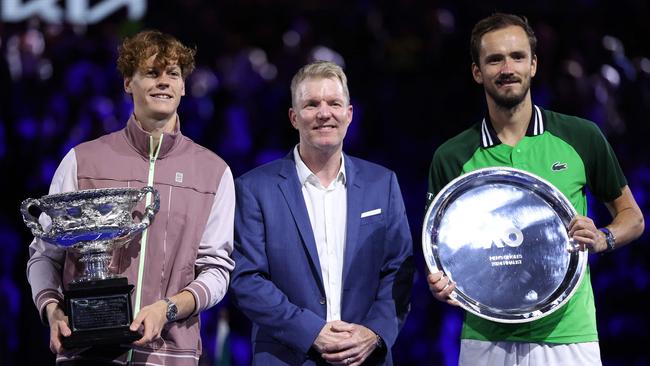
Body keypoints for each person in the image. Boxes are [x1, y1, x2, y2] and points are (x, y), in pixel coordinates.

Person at [426, 13, 645, 366]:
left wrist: (604, 236)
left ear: (533, 65)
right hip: (486, 339)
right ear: (477, 72)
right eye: (494, 59)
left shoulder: (581, 136)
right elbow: (439, 248)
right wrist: (438, 280)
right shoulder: (452, 157)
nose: (507, 68)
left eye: (517, 57)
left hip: (568, 336)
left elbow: (633, 218)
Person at [26, 30, 235, 365]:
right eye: (151, 73)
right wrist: (52, 311)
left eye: (173, 75)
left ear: (183, 87)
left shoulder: (213, 173)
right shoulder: (82, 160)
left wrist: (166, 310)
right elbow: (44, 255)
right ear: (128, 82)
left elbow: (216, 271)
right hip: (86, 353)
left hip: (170, 355)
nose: (164, 82)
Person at [230, 60, 414, 365]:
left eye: (334, 103)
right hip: (286, 356)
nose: (324, 113)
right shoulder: (254, 188)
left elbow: (400, 269)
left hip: (365, 357)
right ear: (294, 117)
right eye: (312, 104)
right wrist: (310, 331)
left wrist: (373, 332)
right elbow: (246, 279)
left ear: (349, 114)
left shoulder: (383, 184)